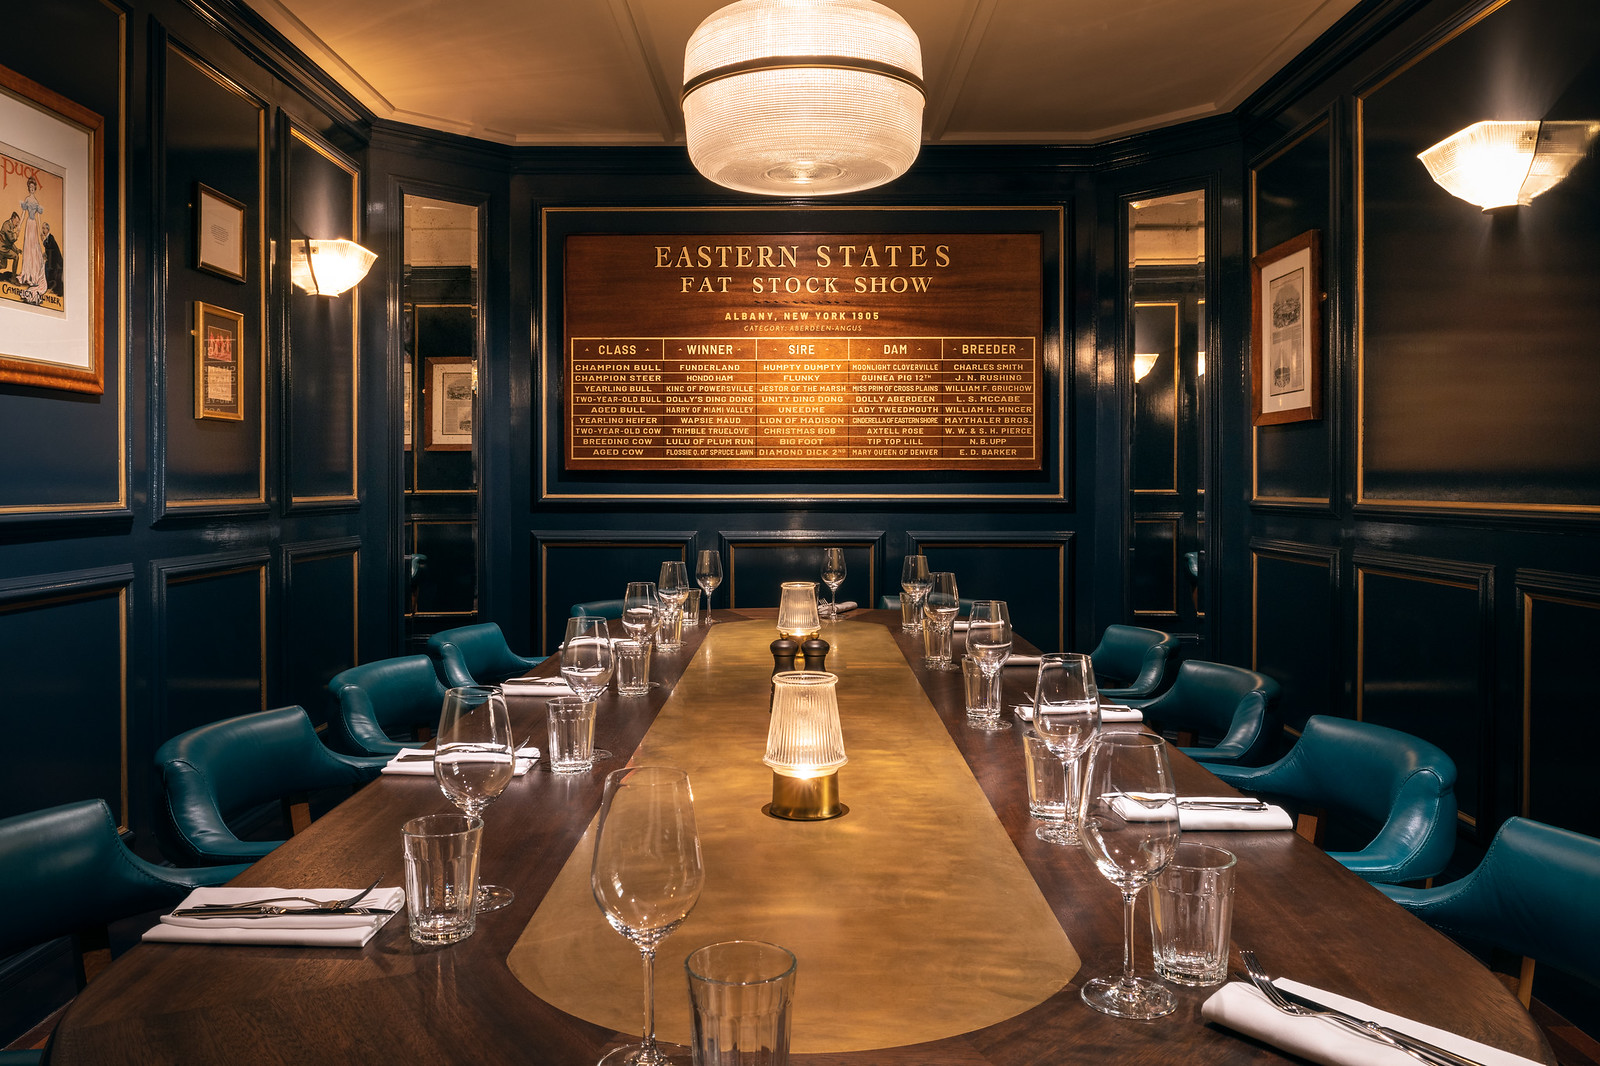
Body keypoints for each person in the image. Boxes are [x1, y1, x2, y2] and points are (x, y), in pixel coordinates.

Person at [17, 175, 48, 302]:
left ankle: (34, 276)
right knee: (28, 248)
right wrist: (19, 225)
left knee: (34, 249)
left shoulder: (36, 202)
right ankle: (27, 275)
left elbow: (39, 218)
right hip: (28, 225)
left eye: (33, 188)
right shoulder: (27, 200)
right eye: (30, 187)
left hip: (34, 225)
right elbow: (23, 214)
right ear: (28, 188)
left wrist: (41, 230)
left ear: (35, 189)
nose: (31, 189)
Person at [42, 221, 63, 297]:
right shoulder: (48, 238)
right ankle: (48, 286)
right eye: (42, 228)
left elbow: (49, 246)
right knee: (46, 268)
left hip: (56, 262)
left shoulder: (51, 237)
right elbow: (49, 250)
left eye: (44, 228)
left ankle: (50, 287)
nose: (43, 230)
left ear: (48, 229)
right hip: (52, 260)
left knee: (48, 269)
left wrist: (43, 241)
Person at [0, 211, 19, 279]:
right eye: (16, 222)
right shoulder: (7, 225)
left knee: (3, 265)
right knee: (16, 257)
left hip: (4, 248)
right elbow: (11, 239)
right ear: (13, 219)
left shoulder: (10, 226)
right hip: (2, 249)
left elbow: (10, 243)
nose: (17, 224)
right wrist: (16, 236)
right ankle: (13, 278)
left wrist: (16, 249)